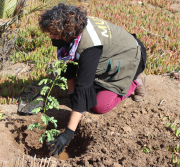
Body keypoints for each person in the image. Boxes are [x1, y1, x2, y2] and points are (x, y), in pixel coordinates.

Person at [38, 3, 147, 156]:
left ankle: (135, 81)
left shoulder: (89, 47)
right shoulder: (74, 29)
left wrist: (68, 133)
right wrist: (72, 97)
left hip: (131, 57)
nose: (51, 37)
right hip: (111, 54)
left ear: (66, 31)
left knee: (99, 105)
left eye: (54, 34)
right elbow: (69, 70)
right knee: (84, 98)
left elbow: (83, 87)